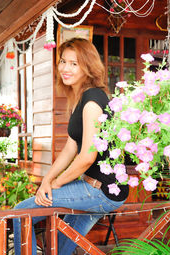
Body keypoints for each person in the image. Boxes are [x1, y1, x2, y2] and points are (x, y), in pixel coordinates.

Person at [13, 37, 129, 255]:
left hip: (99, 190)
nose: (65, 68)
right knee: (60, 246)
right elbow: (70, 148)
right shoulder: (81, 98)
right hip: (94, 187)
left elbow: (87, 157)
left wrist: (56, 184)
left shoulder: (93, 101)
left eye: (74, 64)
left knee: (21, 214)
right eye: (63, 61)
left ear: (88, 66)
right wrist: (47, 180)